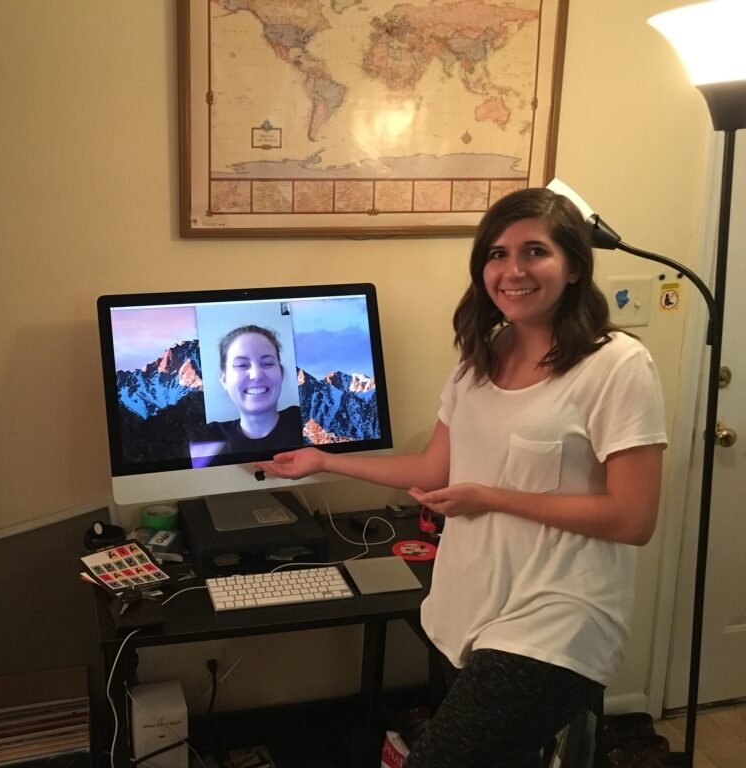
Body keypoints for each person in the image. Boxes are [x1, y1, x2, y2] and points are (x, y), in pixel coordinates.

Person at [255, 188, 667, 767]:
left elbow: (633, 518)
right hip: (472, 607)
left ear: (574, 265)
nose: (513, 270)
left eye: (535, 252)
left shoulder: (616, 365)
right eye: (496, 254)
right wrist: (322, 460)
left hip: (557, 622)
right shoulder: (481, 357)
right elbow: (431, 469)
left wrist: (489, 497)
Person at [206, 324, 303, 454]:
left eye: (267, 363)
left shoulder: (310, 422)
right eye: (241, 365)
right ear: (224, 380)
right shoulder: (208, 437)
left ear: (281, 374)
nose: (256, 374)